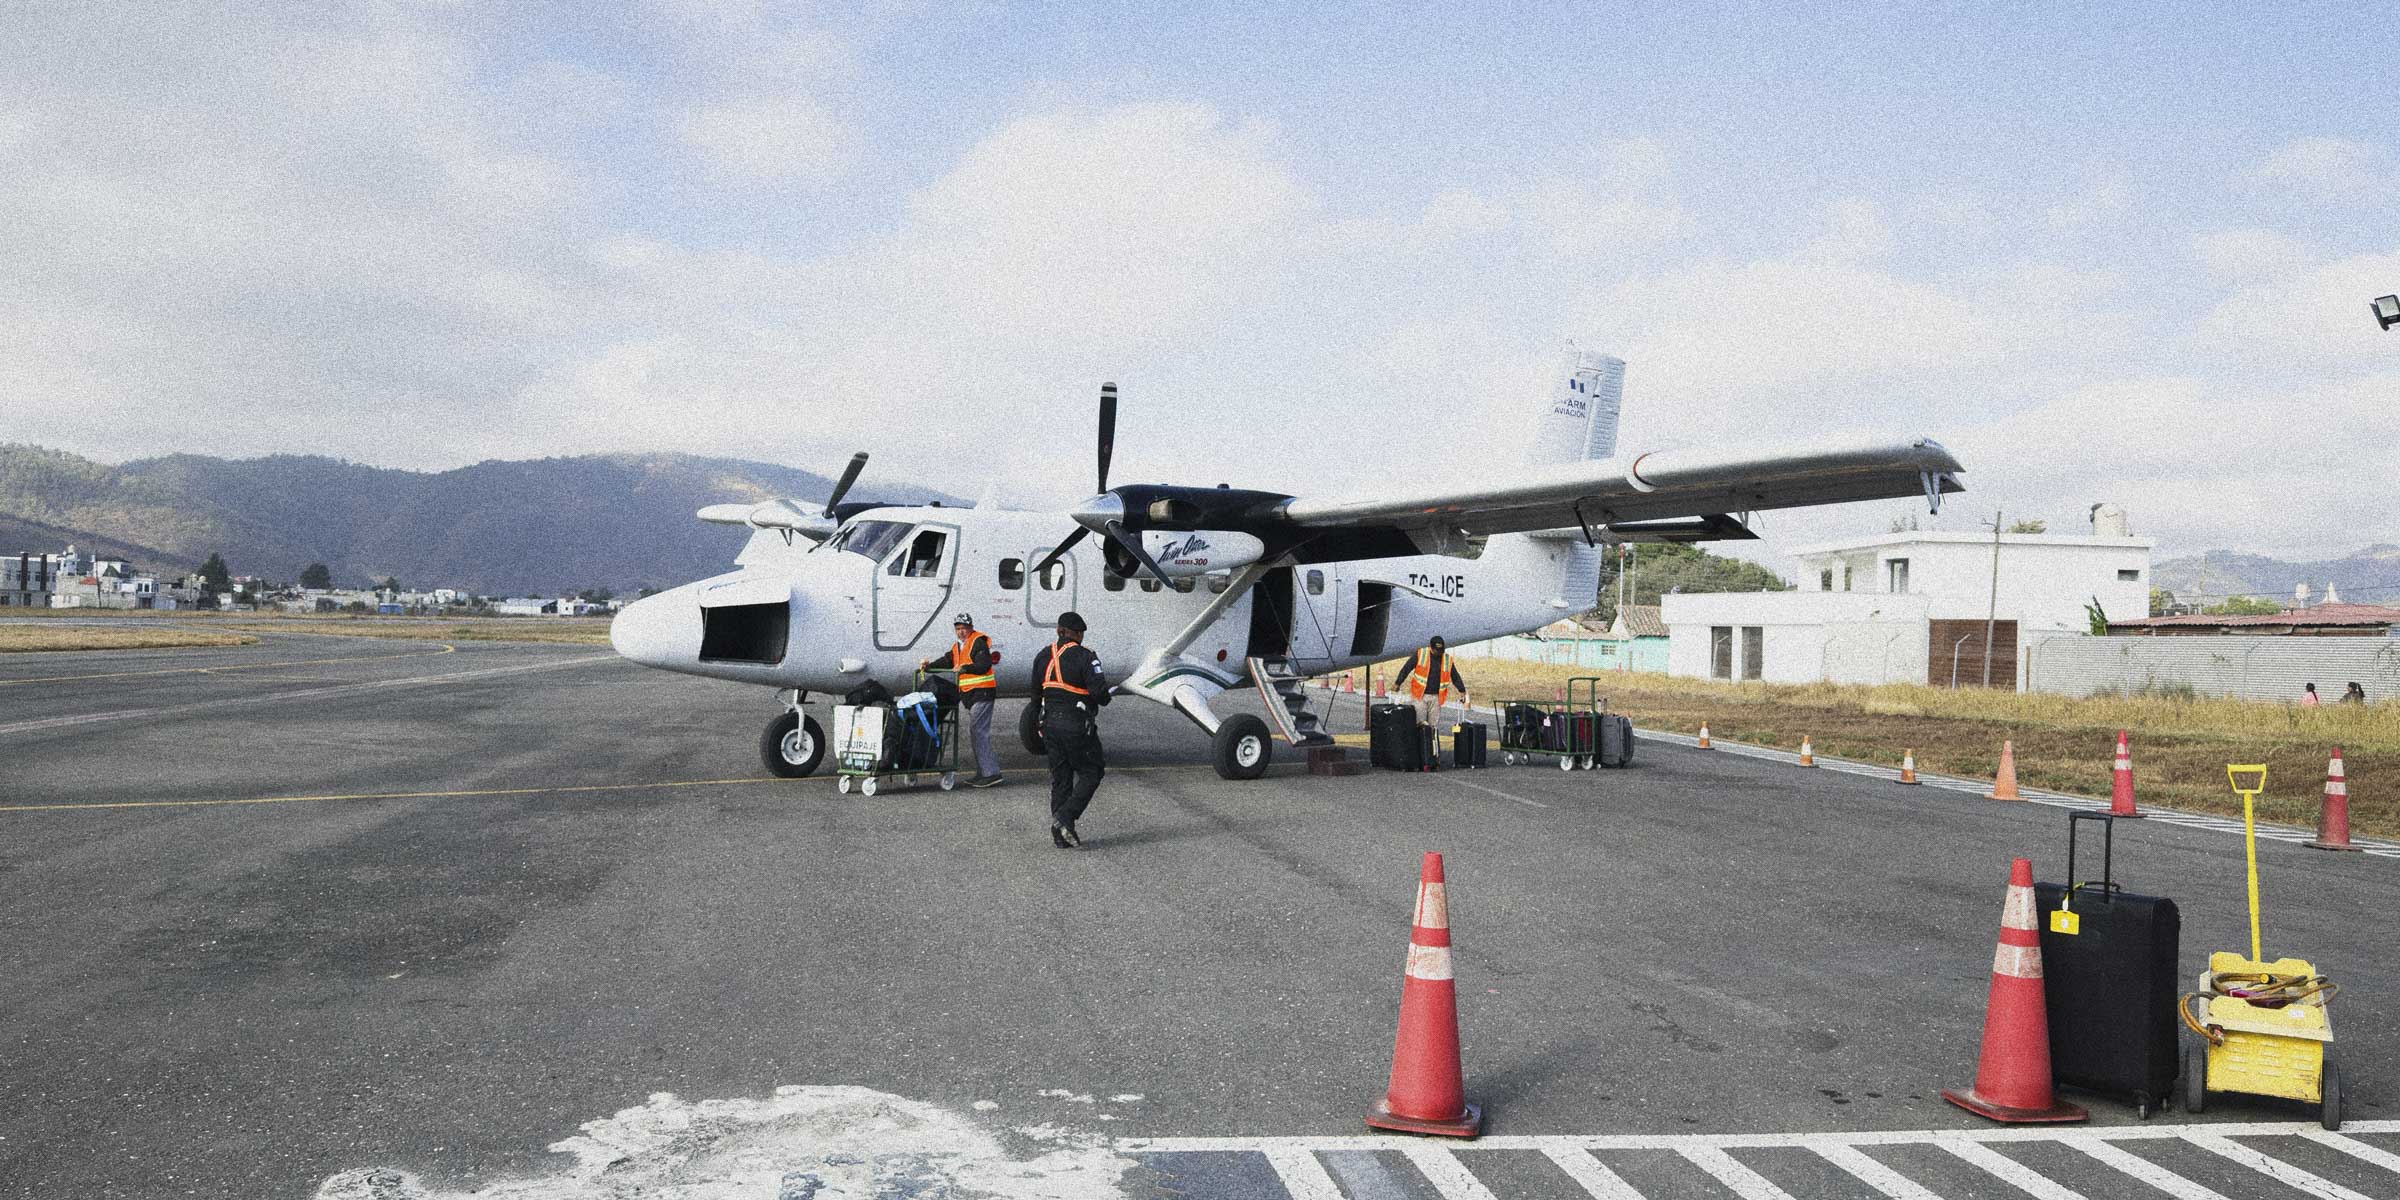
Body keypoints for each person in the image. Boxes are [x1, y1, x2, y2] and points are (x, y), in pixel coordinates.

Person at [1030, 610, 1109, 847]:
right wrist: (1103, 696)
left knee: (1061, 778)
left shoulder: (1043, 656)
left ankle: (1060, 834)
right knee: (1092, 771)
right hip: (1075, 724)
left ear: (1058, 631)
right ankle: (1066, 817)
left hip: (1049, 724)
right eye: (1080, 633)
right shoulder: (1087, 657)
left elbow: (1035, 693)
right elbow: (1100, 694)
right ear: (1076, 634)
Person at [921, 612, 1002, 787]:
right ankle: (984, 772)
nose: (960, 632)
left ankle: (991, 773)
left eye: (963, 629)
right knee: (976, 732)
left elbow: (984, 664)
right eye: (957, 629)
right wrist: (929, 667)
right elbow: (947, 661)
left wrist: (965, 668)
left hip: (983, 692)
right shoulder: (958, 646)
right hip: (972, 695)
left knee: (978, 731)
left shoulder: (977, 642)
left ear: (970, 628)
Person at [1396, 635, 1469, 728]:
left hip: (1436, 697)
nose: (1439, 653)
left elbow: (1455, 676)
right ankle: (1419, 742)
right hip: (1420, 696)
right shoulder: (1421, 654)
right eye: (1436, 651)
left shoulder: (1447, 659)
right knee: (1420, 724)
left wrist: (1461, 689)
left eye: (1441, 651)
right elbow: (1407, 668)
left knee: (1433, 726)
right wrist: (1398, 682)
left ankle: (1431, 742)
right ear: (1431, 647)